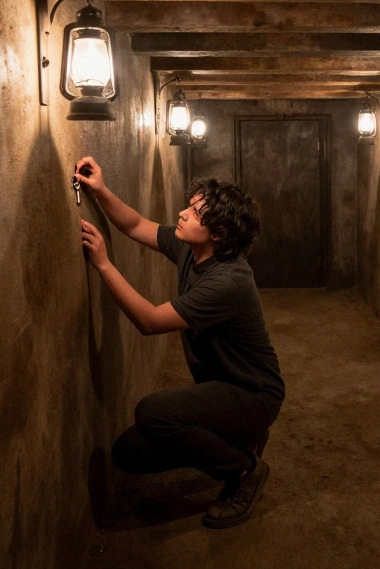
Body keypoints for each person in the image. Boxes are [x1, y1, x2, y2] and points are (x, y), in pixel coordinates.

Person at [73, 156, 284, 529]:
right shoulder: (193, 249)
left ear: (218, 233)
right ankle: (237, 440)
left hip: (254, 393)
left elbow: (150, 321)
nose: (183, 214)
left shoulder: (228, 281)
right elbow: (136, 225)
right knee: (129, 452)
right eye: (190, 206)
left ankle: (244, 470)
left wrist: (104, 264)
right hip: (221, 387)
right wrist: (101, 191)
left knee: (152, 412)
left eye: (195, 213)